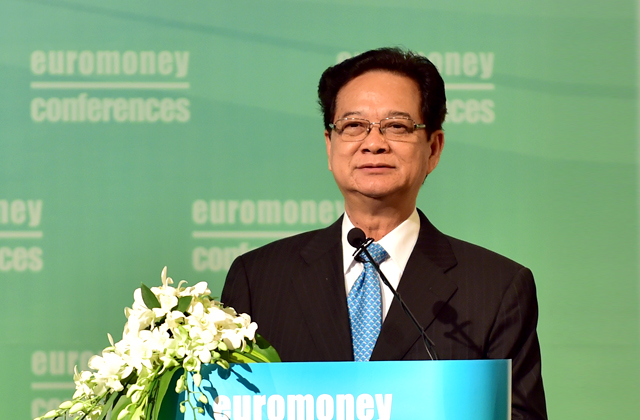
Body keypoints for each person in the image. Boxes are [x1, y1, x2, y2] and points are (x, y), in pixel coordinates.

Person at [221, 47, 547, 419]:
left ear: (434, 148)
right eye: (353, 126)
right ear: (329, 145)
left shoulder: (495, 289)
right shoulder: (259, 279)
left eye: (397, 126)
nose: (374, 143)